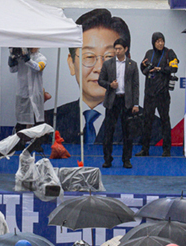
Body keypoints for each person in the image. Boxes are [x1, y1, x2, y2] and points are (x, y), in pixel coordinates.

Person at [54, 8, 131, 144]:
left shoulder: (149, 126)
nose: (100, 68)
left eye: (109, 57)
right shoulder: (50, 122)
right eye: (89, 56)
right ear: (71, 64)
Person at [98, 37, 139, 169]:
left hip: (126, 101)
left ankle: (126, 159)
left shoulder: (132, 64)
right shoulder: (107, 64)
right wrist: (110, 85)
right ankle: (107, 159)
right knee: (108, 132)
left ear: (126, 49)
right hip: (112, 101)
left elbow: (135, 85)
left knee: (127, 133)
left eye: (119, 49)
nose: (117, 51)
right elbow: (100, 80)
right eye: (115, 49)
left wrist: (136, 104)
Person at [136, 32, 178, 158]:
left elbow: (174, 68)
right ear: (153, 43)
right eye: (158, 41)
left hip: (163, 93)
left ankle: (166, 150)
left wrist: (160, 69)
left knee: (165, 121)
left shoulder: (169, 53)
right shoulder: (149, 53)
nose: (160, 43)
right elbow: (144, 71)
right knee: (147, 122)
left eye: (162, 41)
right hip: (149, 93)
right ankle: (145, 149)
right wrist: (143, 66)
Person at [8, 48, 47, 132]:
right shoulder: (20, 58)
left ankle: (35, 140)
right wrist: (12, 60)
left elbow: (37, 68)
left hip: (35, 92)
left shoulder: (42, 58)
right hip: (22, 92)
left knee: (36, 119)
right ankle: (19, 140)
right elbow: (13, 70)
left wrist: (27, 59)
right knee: (21, 120)